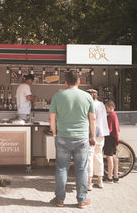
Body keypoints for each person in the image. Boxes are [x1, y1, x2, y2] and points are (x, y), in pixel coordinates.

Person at [49, 71, 96, 209]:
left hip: (62, 137)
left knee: (62, 168)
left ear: (65, 82)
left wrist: (54, 133)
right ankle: (82, 200)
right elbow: (92, 118)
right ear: (79, 81)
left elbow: (52, 118)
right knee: (81, 169)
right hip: (82, 138)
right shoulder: (87, 96)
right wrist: (92, 136)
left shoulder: (58, 96)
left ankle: (59, 200)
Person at [86, 89, 110, 190]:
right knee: (99, 155)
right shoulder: (101, 105)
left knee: (89, 157)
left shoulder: (89, 105)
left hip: (91, 133)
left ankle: (89, 182)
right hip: (101, 133)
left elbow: (91, 120)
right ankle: (100, 181)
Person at [104, 100, 120, 183]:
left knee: (109, 156)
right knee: (114, 156)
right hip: (114, 138)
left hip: (109, 138)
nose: (105, 109)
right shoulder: (115, 115)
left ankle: (110, 177)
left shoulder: (110, 116)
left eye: (106, 108)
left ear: (110, 107)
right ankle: (116, 176)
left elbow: (109, 129)